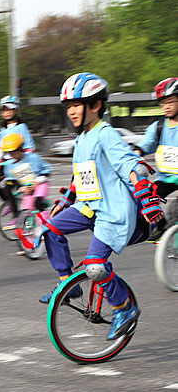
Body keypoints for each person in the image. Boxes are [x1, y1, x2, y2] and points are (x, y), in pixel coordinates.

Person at [37, 73, 163, 340]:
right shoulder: (82, 138)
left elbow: (132, 165)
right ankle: (67, 285)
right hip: (87, 206)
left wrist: (144, 192)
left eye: (76, 105)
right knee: (49, 230)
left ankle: (124, 307)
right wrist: (65, 201)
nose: (71, 111)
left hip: (111, 211)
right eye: (68, 106)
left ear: (95, 105)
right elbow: (82, 176)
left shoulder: (106, 135)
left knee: (95, 266)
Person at [134, 77, 178, 241]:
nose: (166, 106)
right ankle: (162, 227)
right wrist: (137, 153)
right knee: (148, 197)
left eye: (171, 102)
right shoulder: (158, 127)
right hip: (167, 178)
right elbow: (145, 144)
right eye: (163, 103)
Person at [0, 95, 35, 203]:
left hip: (20, 163)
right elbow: (0, 147)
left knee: (16, 188)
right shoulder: (3, 129)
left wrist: (27, 159)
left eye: (10, 109)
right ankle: (9, 203)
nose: (7, 112)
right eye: (4, 110)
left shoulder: (21, 127)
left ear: (16, 110)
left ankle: (19, 212)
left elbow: (29, 146)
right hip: (7, 163)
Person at [0, 133, 51, 229]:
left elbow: (46, 171)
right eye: (10, 153)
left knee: (37, 203)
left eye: (14, 152)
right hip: (26, 187)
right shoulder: (10, 164)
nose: (12, 155)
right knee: (26, 208)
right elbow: (13, 181)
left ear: (20, 149)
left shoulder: (33, 158)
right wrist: (23, 189)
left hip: (40, 184)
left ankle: (45, 226)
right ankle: (28, 230)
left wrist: (37, 182)